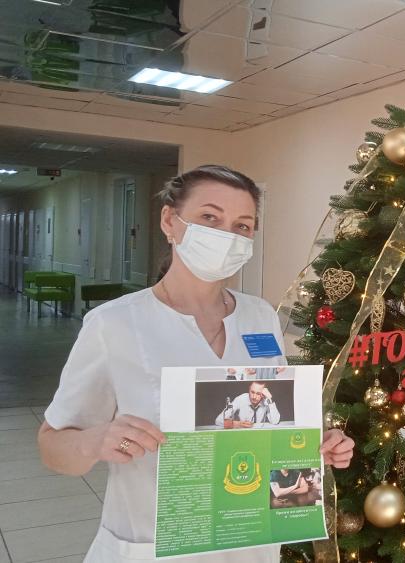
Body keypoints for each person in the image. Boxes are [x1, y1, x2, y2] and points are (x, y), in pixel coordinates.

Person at [37, 165, 356, 563]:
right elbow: (52, 446)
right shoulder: (115, 323)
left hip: (250, 541)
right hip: (152, 547)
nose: (227, 235)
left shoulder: (260, 316)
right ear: (169, 221)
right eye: (209, 217)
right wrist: (94, 440)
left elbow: (266, 420)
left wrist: (314, 444)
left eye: (242, 226)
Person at [215, 381, 280, 427]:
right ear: (249, 390)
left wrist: (270, 399)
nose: (254, 397)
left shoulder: (266, 401)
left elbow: (275, 421)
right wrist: (238, 424)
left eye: (258, 394)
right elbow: (218, 420)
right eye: (252, 392)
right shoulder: (240, 399)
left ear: (263, 394)